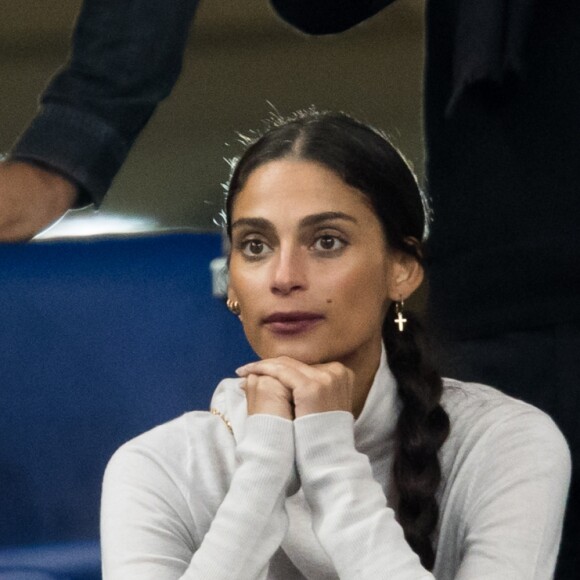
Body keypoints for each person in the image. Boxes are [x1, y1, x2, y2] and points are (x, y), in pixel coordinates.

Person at [100, 111, 570, 579]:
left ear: (402, 268)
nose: (284, 277)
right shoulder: (155, 467)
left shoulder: (505, 443)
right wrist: (262, 471)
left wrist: (330, 458)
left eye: (326, 241)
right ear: (234, 286)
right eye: (256, 245)